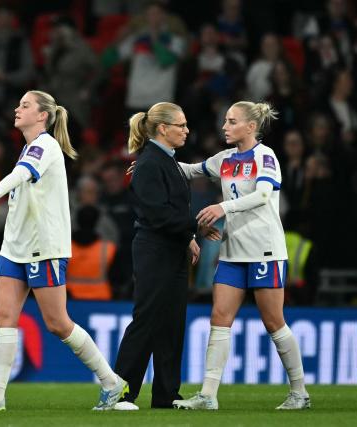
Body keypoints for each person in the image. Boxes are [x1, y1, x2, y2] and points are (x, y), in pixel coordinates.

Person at [0, 90, 125, 411]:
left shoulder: (45, 146)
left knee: (58, 323)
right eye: (18, 104)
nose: (17, 109)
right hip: (15, 248)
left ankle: (111, 381)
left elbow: (21, 175)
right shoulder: (27, 148)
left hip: (43, 249)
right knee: (4, 317)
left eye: (25, 105)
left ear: (42, 116)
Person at [171, 101, 311, 410]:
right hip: (233, 253)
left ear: (250, 127)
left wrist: (223, 207)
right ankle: (208, 395)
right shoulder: (224, 159)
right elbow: (190, 170)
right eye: (225, 120)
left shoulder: (266, 156)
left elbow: (262, 195)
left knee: (274, 321)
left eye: (232, 121)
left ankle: (299, 392)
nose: (224, 126)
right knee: (219, 318)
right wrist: (153, 161)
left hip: (265, 251)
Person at [112, 102, 212, 410]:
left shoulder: (165, 161)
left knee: (171, 323)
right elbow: (158, 214)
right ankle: (120, 393)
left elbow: (172, 212)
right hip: (154, 249)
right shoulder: (150, 163)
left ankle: (166, 394)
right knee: (147, 319)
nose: (186, 130)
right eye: (181, 125)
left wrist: (187, 239)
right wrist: (195, 226)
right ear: (162, 129)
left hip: (172, 248)